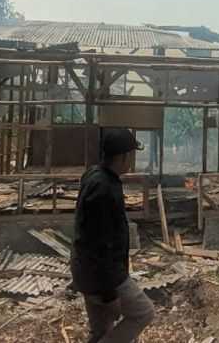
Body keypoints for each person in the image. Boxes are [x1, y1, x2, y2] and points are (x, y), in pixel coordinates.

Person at [71, 128, 154, 343]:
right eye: (132, 155)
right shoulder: (104, 190)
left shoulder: (94, 175)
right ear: (123, 156)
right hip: (103, 277)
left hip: (85, 271)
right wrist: (110, 295)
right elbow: (99, 246)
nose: (132, 160)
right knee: (143, 313)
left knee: (100, 331)